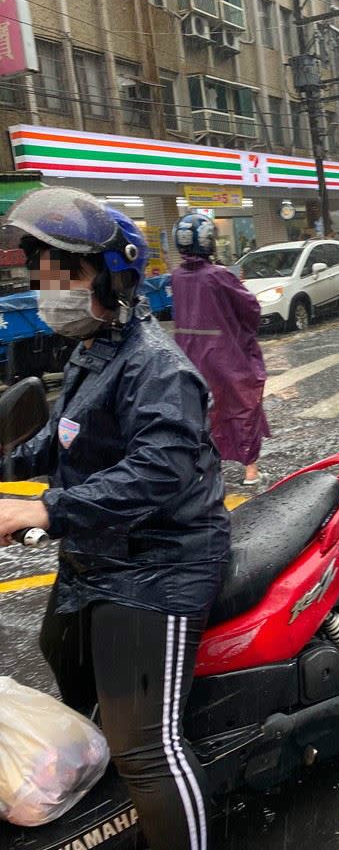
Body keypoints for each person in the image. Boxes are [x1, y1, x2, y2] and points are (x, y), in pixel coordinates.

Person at [0, 188, 230, 850]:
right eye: (43, 273)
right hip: (97, 558)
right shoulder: (90, 352)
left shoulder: (159, 368)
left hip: (160, 566)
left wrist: (43, 506)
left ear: (113, 279)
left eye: (66, 274)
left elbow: (156, 475)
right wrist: (13, 464)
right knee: (65, 670)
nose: (50, 289)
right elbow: (62, 442)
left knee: (146, 750)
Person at [172, 213, 270, 487]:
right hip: (227, 357)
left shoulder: (176, 277)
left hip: (189, 358)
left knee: (201, 413)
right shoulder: (219, 276)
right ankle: (251, 471)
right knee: (243, 406)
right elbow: (251, 309)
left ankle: (206, 469)